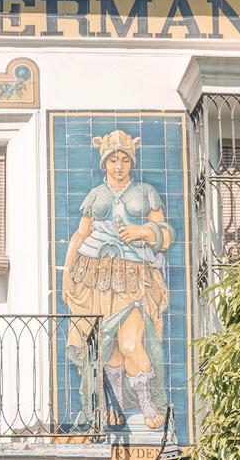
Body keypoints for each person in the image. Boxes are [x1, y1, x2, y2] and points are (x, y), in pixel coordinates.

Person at [61, 129, 173, 430]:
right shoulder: (95, 195)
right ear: (104, 163)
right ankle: (115, 404)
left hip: (133, 276)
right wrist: (66, 273)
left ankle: (148, 401)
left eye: (124, 159)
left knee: (130, 343)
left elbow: (166, 234)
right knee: (107, 348)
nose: (119, 165)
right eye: (113, 160)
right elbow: (81, 234)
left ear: (131, 162)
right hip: (94, 277)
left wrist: (142, 232)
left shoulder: (146, 191)